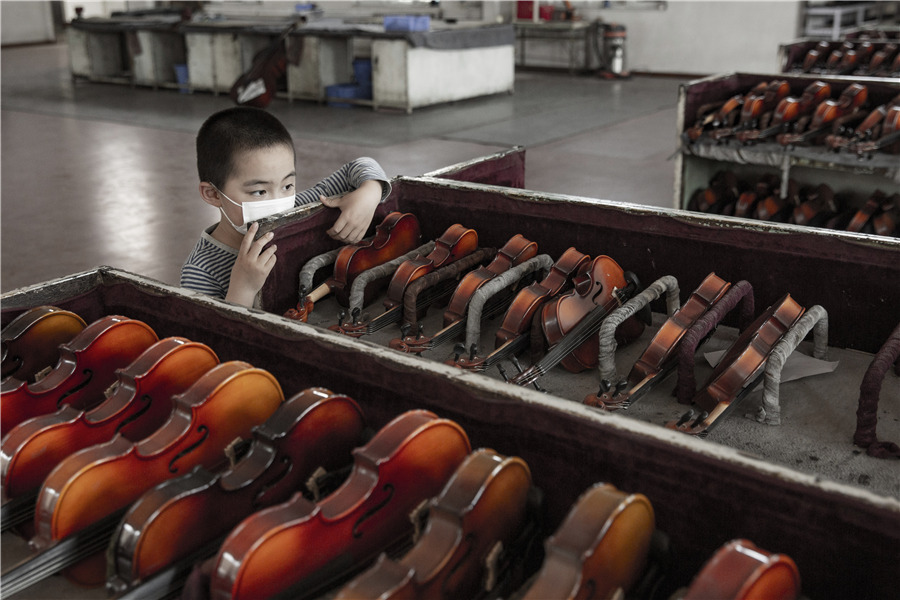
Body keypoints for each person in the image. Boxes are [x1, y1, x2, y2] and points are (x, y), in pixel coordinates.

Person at [181, 107, 391, 307]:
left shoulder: (297, 209)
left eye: (287, 186)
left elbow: (361, 166)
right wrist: (243, 289)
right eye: (259, 192)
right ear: (213, 194)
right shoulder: (201, 271)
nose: (278, 206)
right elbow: (216, 332)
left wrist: (370, 192)